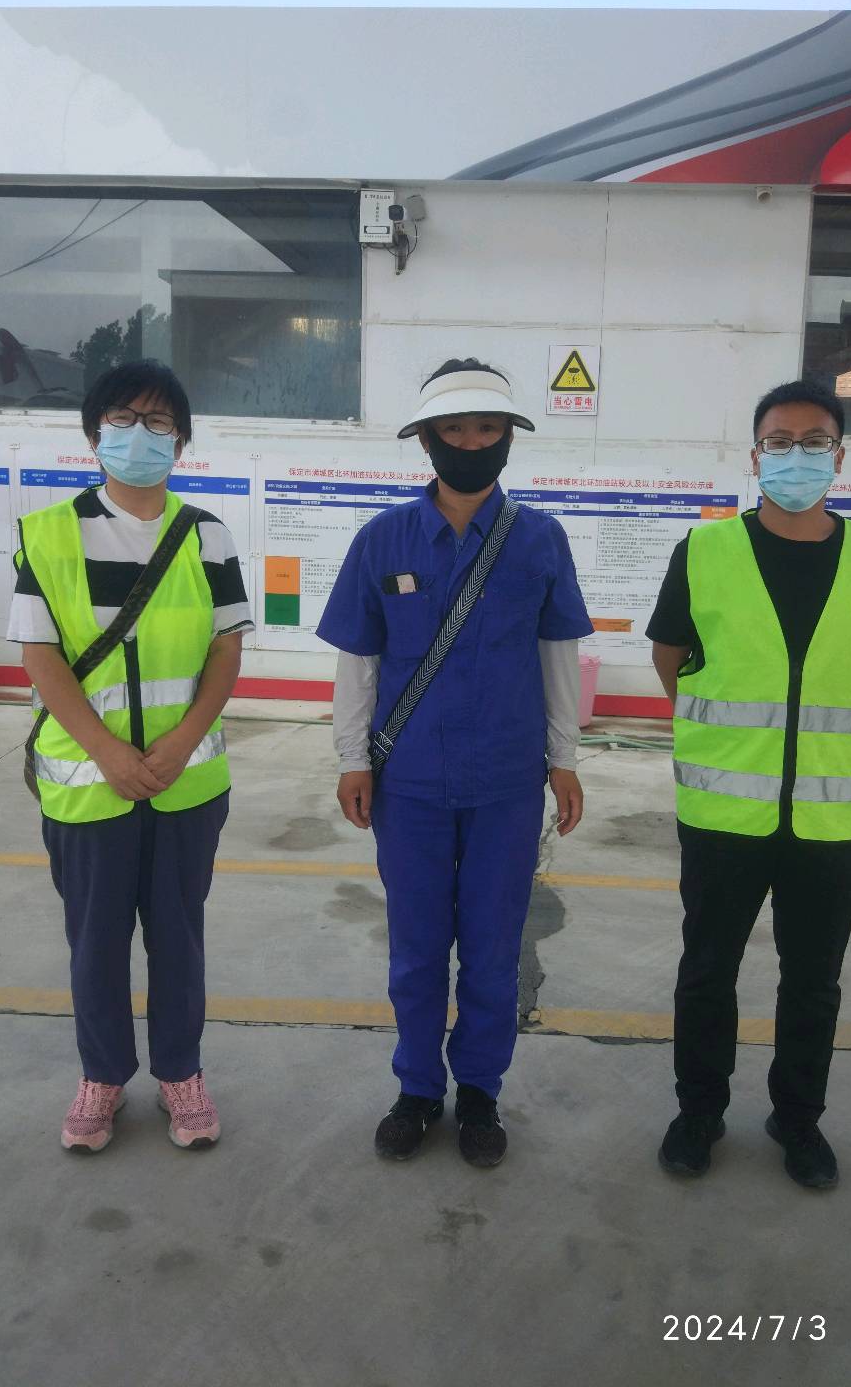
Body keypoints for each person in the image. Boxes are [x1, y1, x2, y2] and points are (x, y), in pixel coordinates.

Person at [317, 359, 594, 1167]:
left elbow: (557, 654)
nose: (471, 442)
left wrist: (565, 759)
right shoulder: (383, 540)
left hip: (507, 783)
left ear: (508, 436)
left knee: (493, 948)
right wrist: (352, 758)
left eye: (487, 428)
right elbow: (358, 660)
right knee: (415, 949)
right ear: (427, 440)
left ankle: (479, 1092)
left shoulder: (540, 539)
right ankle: (416, 1089)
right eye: (454, 429)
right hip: (409, 785)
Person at [647, 379, 851, 1189]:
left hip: (829, 820)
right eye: (780, 441)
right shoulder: (704, 551)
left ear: (840, 456)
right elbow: (671, 658)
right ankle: (699, 1114)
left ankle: (798, 1120)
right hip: (724, 814)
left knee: (813, 983)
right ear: (755, 454)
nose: (796, 455)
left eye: (813, 441)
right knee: (707, 972)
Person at [8, 360, 253, 1153]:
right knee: (96, 944)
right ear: (94, 434)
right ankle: (103, 1076)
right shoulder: (49, 533)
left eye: (158, 421)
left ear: (180, 441)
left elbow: (225, 650)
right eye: (123, 419)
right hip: (88, 786)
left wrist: (178, 744)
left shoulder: (208, 534)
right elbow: (41, 656)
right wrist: (109, 753)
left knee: (178, 940)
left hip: (187, 785)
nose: (139, 435)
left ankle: (181, 1073)